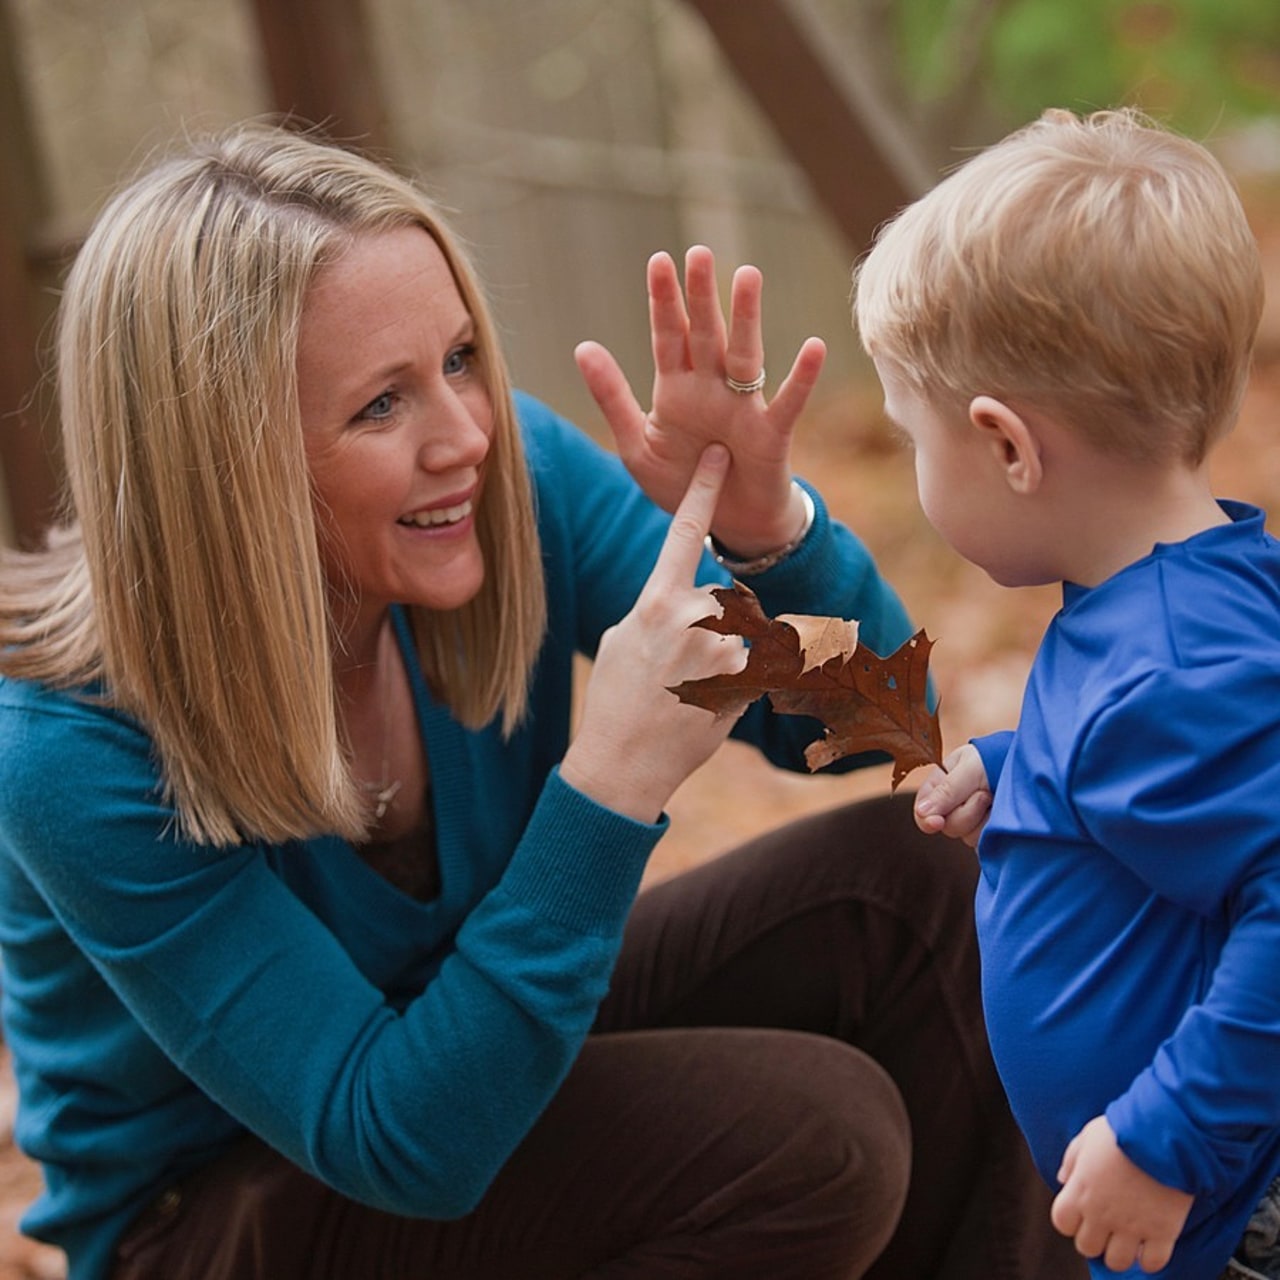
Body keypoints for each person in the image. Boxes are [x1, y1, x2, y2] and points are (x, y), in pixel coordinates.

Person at [0, 122, 1077, 1280]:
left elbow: (876, 728)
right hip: (219, 1207)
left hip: (466, 1043)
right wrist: (606, 787)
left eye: (460, 357)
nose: (465, 433)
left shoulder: (501, 483)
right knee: (811, 1141)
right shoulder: (71, 746)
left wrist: (766, 532)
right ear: (225, 461)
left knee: (916, 887)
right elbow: (401, 1138)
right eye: (381, 404)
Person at [853, 105, 1280, 1279]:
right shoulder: (1162, 605)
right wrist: (1023, 770)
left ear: (1005, 446)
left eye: (912, 437)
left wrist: (1166, 1136)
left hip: (1219, 1212)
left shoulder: (1169, 667)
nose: (914, 466)